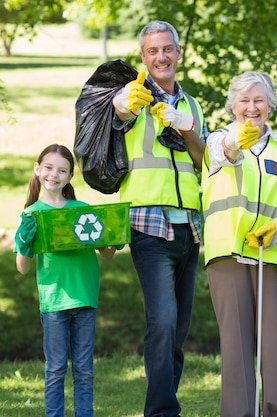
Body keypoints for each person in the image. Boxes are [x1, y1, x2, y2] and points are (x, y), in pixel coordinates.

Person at [110, 20, 208, 417]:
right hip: (148, 225)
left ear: (178, 53)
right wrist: (125, 102)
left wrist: (186, 131)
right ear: (143, 57)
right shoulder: (133, 95)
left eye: (167, 49)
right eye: (152, 51)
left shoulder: (193, 105)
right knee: (163, 322)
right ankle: (162, 411)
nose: (161, 57)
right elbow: (117, 113)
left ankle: (167, 401)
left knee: (178, 330)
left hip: (190, 225)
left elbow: (203, 162)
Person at [202, 71, 277, 417]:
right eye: (244, 100)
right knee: (236, 347)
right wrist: (237, 141)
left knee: (274, 347)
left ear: (271, 105)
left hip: (272, 254)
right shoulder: (218, 140)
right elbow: (224, 153)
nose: (252, 107)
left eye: (259, 99)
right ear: (232, 105)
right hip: (227, 254)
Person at [14, 144, 118, 417]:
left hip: (84, 296)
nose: (54, 175)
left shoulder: (81, 210)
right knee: (56, 367)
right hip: (54, 301)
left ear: (70, 176)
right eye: (48, 167)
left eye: (62, 170)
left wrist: (113, 236)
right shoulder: (31, 214)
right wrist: (25, 241)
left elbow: (106, 253)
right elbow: (22, 268)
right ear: (37, 170)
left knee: (84, 368)